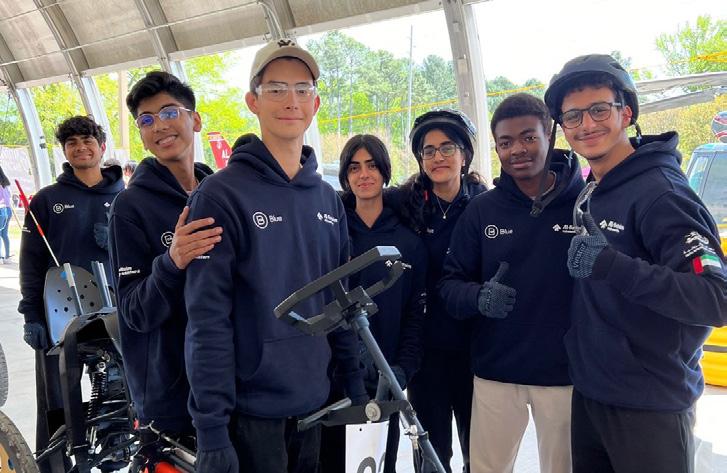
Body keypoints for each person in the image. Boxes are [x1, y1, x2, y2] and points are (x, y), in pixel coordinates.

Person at [183, 39, 366, 473]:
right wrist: (211, 429)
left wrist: (354, 380)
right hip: (251, 414)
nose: (291, 101)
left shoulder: (327, 198)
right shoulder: (221, 195)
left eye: (302, 90)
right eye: (276, 89)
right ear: (253, 102)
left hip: (316, 403)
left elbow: (341, 298)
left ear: (315, 104)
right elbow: (207, 319)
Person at [544, 54, 727, 473]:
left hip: (649, 405)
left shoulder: (662, 193)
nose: (586, 125)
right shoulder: (595, 188)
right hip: (593, 392)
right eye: (573, 116)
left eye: (599, 109)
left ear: (626, 113)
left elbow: (716, 298)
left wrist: (614, 266)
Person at [439, 93, 584, 473]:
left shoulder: (585, 204)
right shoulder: (481, 210)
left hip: (565, 373)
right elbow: (449, 285)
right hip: (496, 371)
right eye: (505, 142)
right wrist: (478, 297)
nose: (517, 149)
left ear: (550, 135)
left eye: (528, 137)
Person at [108, 71, 219, 448]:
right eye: (146, 120)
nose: (159, 126)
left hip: (226, 385)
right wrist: (171, 263)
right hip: (171, 400)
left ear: (195, 120)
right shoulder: (129, 207)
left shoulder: (220, 196)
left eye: (170, 112)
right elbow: (133, 311)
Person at [17, 116, 124, 473]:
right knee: (58, 401)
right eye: (72, 142)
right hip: (59, 314)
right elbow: (31, 263)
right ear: (64, 151)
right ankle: (55, 466)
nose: (81, 148)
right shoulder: (47, 200)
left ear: (102, 147)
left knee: (117, 394)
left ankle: (113, 456)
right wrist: (32, 315)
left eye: (87, 140)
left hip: (116, 312)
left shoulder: (125, 197)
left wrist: (116, 242)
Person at [320, 134, 428, 473]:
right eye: (354, 168)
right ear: (345, 176)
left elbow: (416, 314)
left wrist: (403, 369)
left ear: (384, 172)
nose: (363, 175)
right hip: (336, 379)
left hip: (385, 379)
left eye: (371, 166)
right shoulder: (333, 236)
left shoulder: (408, 242)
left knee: (381, 464)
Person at [389, 109, 487, 473]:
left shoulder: (484, 205)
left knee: (480, 453)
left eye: (447, 147)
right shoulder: (404, 202)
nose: (437, 157)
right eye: (428, 151)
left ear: (464, 155)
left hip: (475, 348)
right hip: (425, 350)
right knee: (431, 454)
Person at [0, 165, 11, 263]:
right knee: (4, 234)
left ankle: (0, 257)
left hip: (1, 209)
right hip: (8, 210)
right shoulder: (6, 184)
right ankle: (7, 256)